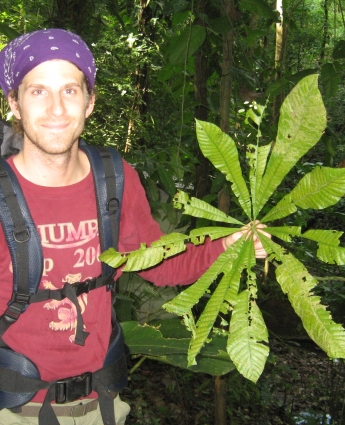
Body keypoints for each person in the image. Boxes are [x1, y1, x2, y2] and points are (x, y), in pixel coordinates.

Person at [0, 29, 267, 425]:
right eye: (37, 91)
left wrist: (229, 243)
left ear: (90, 102)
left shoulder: (114, 179)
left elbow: (158, 261)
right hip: (14, 409)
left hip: (102, 405)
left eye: (70, 91)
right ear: (14, 104)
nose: (56, 108)